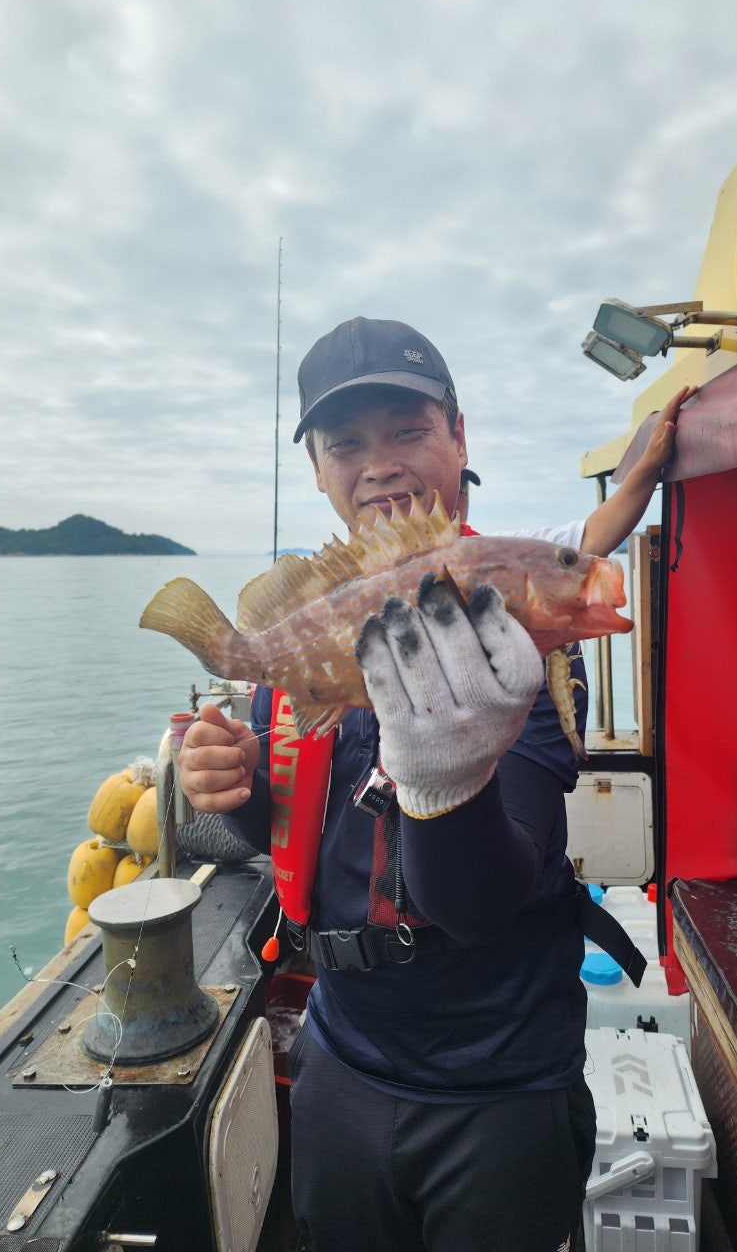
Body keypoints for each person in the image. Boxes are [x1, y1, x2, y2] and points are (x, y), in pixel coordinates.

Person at [178, 317, 691, 1252]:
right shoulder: (307, 636)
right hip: (339, 1062)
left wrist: (446, 777)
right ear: (321, 471)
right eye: (346, 444)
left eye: (408, 431)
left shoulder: (516, 642)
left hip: (499, 1086)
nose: (378, 464)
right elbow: (286, 832)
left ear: (461, 435)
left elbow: (484, 900)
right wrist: (235, 785)